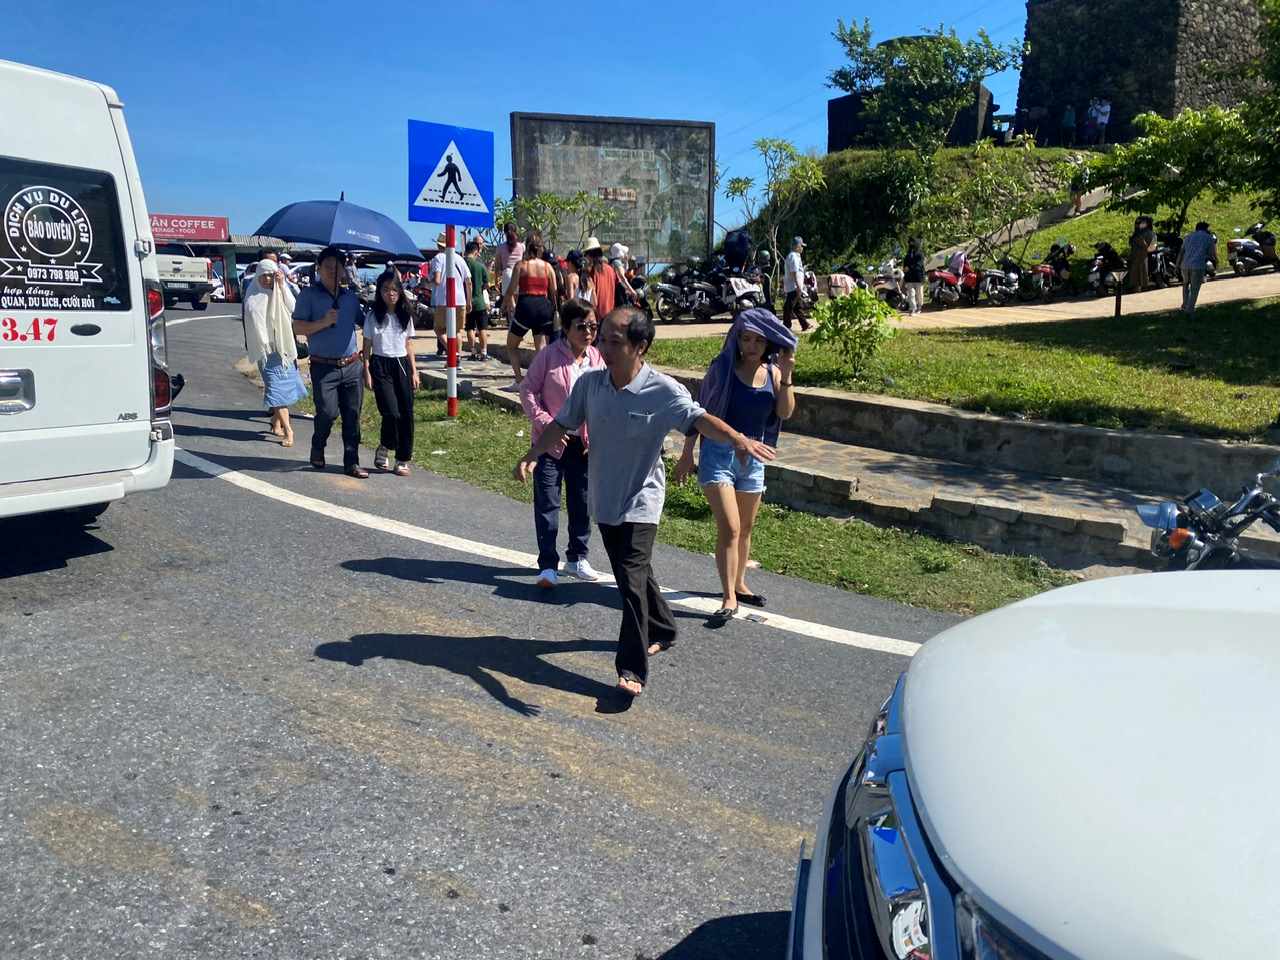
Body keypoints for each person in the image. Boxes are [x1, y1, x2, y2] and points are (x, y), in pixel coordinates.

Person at [514, 306, 777, 698]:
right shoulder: (589, 385)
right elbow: (561, 424)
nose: (603, 346)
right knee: (631, 573)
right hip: (605, 498)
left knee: (631, 581)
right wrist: (533, 454)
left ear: (642, 346)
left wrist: (738, 439)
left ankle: (631, 669)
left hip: (642, 500)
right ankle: (665, 627)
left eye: (614, 341)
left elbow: (700, 418)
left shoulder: (663, 390)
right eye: (601, 338)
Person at [675, 309, 796, 624]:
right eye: (746, 338)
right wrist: (688, 453)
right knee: (729, 527)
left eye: (758, 340)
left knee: (745, 528)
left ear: (768, 343)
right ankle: (728, 595)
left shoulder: (773, 373)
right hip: (719, 454)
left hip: (754, 459)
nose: (752, 345)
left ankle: (740, 584)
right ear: (738, 340)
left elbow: (784, 412)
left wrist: (788, 376)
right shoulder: (723, 369)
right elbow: (699, 412)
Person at [519, 300, 605, 589]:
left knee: (582, 503)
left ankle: (578, 557)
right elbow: (528, 390)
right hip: (550, 444)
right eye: (581, 326)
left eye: (593, 326)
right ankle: (547, 565)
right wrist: (545, 422)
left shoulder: (597, 359)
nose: (588, 332)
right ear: (566, 328)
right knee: (548, 503)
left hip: (584, 445)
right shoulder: (548, 356)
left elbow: (604, 399)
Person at [293, 245, 368, 477]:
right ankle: (318, 444)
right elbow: (296, 326)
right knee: (327, 412)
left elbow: (366, 323)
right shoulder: (309, 295)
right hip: (323, 366)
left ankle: (351, 461)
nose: (333, 272)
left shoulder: (350, 298)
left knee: (352, 415)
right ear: (318, 268)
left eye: (337, 268)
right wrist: (323, 322)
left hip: (351, 365)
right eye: (328, 267)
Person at [243, 258, 308, 446]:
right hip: (266, 352)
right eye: (264, 276)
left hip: (284, 349)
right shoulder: (253, 294)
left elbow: (293, 307)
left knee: (284, 389)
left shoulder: (280, 291)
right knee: (276, 389)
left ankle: (276, 422)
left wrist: (282, 285)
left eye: (271, 275)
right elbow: (253, 320)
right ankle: (289, 431)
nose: (267, 280)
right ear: (258, 276)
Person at [361, 271, 419, 475]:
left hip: (401, 364)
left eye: (394, 289)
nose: (390, 293)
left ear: (400, 291)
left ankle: (402, 459)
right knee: (391, 412)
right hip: (380, 364)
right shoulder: (372, 316)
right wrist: (366, 371)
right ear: (380, 292)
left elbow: (408, 344)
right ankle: (385, 446)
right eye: (385, 289)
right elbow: (366, 347)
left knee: (406, 413)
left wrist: (414, 371)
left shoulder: (405, 315)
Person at [503, 230, 557, 384]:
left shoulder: (521, 266)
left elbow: (511, 290)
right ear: (540, 248)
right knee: (541, 348)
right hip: (543, 307)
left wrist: (505, 304)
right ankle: (543, 379)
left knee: (511, 346)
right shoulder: (548, 267)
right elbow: (553, 291)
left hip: (526, 306)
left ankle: (519, 379)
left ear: (527, 247)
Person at [428, 232, 472, 359]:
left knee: (439, 329)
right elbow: (469, 281)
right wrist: (469, 301)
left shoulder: (438, 258)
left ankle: (453, 353)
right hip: (460, 299)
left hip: (443, 299)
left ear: (438, 245)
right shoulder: (459, 259)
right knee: (457, 331)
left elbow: (436, 279)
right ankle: (456, 357)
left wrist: (427, 281)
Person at [1178, 221, 1218, 316]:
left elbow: (1181, 252)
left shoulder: (1188, 237)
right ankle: (1190, 309)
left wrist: (1177, 265)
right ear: (1205, 229)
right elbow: (1212, 253)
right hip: (1198, 265)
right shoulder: (1209, 238)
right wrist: (1216, 261)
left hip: (1184, 265)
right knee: (1195, 288)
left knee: (1186, 285)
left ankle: (1185, 305)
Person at [464, 240, 491, 362]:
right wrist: (479, 288)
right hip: (479, 301)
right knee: (482, 328)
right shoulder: (480, 266)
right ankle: (484, 352)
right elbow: (487, 284)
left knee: (469, 327)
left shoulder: (461, 263)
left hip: (465, 302)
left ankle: (473, 352)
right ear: (476, 251)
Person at [582, 237, 622, 319]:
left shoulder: (591, 272)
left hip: (597, 318)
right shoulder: (610, 269)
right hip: (610, 316)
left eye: (585, 255)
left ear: (589, 255)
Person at [495, 222, 525, 317]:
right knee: (516, 297)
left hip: (507, 273)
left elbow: (497, 265)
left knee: (509, 299)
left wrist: (496, 279)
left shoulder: (500, 247)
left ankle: (512, 319)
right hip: (519, 273)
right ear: (516, 231)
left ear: (504, 232)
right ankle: (516, 316)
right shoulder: (521, 246)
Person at [782, 236, 812, 331]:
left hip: (795, 286)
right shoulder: (793, 256)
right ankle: (787, 326)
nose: (802, 248)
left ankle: (804, 324)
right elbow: (794, 272)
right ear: (797, 246)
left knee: (795, 307)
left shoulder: (795, 256)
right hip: (793, 287)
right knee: (789, 307)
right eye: (801, 246)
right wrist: (799, 287)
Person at [1127, 216, 1156, 292]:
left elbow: (1151, 246)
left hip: (1142, 255)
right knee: (1137, 271)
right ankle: (1138, 286)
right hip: (1137, 255)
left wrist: (1143, 244)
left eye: (1140, 223)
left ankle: (1142, 286)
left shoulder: (1148, 233)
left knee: (1141, 271)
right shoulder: (1138, 233)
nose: (1138, 224)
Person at [902, 238, 927, 315]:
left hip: (918, 277)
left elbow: (919, 265)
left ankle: (919, 307)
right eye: (909, 243)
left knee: (919, 294)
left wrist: (909, 268)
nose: (911, 245)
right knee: (911, 294)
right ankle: (912, 309)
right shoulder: (908, 254)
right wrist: (905, 268)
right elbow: (905, 263)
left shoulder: (920, 254)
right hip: (909, 278)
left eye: (912, 243)